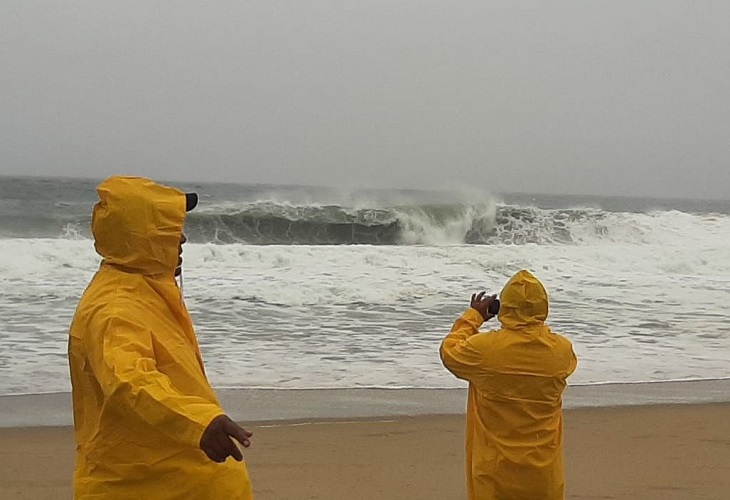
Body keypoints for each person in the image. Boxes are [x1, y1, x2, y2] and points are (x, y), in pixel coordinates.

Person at [68, 176, 253, 499]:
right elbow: (130, 381)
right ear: (139, 238)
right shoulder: (116, 308)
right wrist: (200, 421)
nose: (181, 239)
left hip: (179, 477)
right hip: (146, 485)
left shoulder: (148, 289)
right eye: (168, 230)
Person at [440, 270, 577, 500]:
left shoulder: (486, 350)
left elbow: (449, 351)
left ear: (504, 307)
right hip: (543, 472)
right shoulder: (561, 351)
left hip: (495, 472)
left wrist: (474, 316)